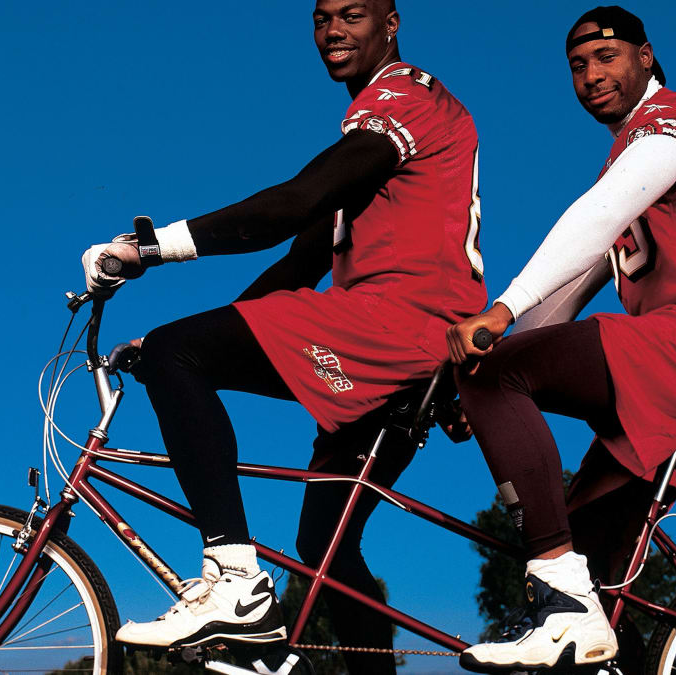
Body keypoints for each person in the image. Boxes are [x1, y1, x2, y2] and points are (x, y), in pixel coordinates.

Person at [81, 1, 486, 672]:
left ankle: (235, 583)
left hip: (399, 325)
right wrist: (184, 346)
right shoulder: (372, 134)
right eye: (321, 18)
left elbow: (293, 203)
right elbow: (301, 261)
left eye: (352, 14)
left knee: (179, 349)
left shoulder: (403, 98)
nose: (332, 30)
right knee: (323, 543)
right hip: (403, 336)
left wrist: (149, 250)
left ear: (392, 22)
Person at [444, 6, 676, 672]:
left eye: (606, 57)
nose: (590, 75)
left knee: (497, 384)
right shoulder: (629, 161)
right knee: (584, 563)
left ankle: (567, 604)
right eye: (577, 66)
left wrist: (499, 316)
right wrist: (496, 343)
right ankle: (587, 628)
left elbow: (597, 218)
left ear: (647, 57)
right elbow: (572, 287)